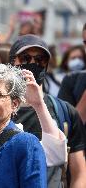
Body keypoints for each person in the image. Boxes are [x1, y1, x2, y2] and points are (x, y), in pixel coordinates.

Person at [9, 34, 86, 187]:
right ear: (12, 62)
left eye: (40, 59)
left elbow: (79, 174)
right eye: (25, 58)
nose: (32, 63)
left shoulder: (64, 111)